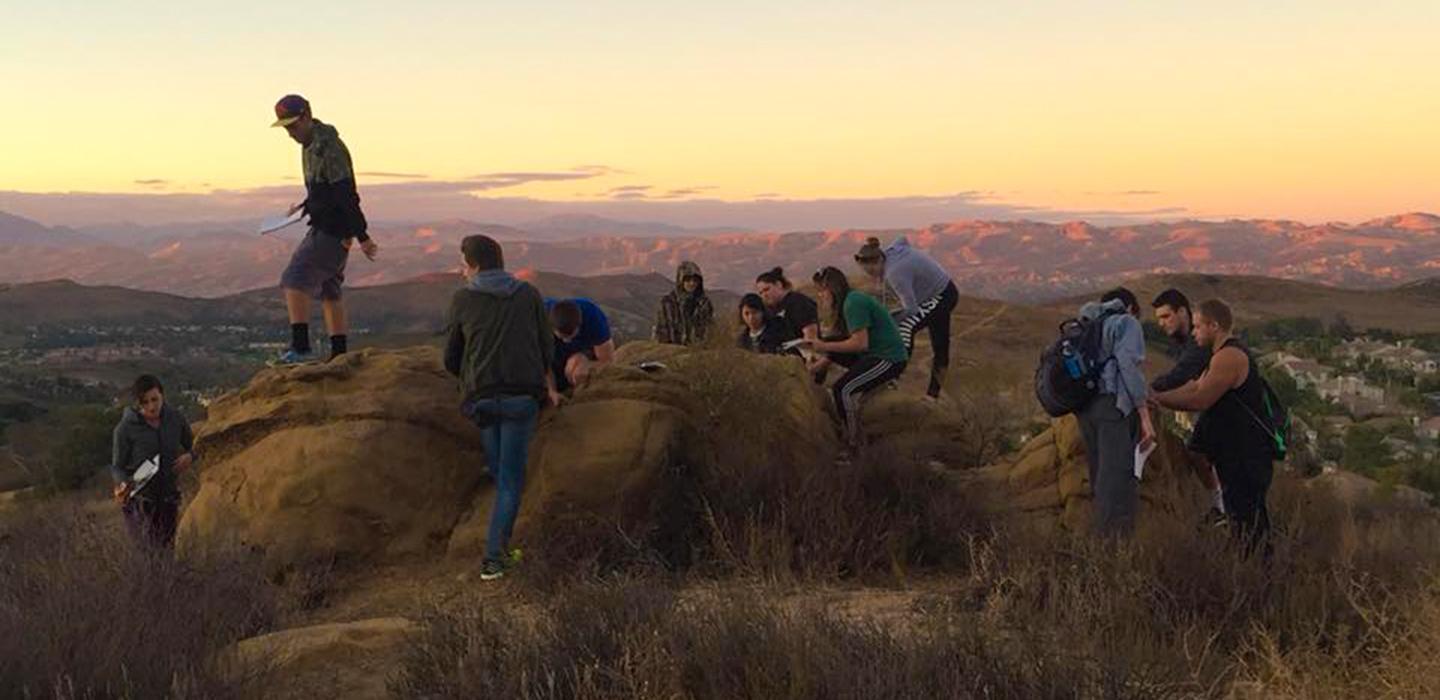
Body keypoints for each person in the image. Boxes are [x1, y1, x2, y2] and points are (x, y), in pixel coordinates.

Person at [444, 235, 556, 581]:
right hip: (522, 398)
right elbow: (546, 349)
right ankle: (495, 557)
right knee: (509, 481)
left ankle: (495, 555)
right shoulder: (528, 294)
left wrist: (470, 376)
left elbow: (451, 357)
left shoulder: (462, 298)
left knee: (500, 475)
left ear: (474, 264)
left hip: (482, 398)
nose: (463, 271)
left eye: (464, 264)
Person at [1152, 299, 1275, 555]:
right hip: (1235, 453)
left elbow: (1200, 399)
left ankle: (1258, 580)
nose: (1194, 332)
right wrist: (1154, 396)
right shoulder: (1219, 355)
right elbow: (1194, 387)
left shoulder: (1229, 357)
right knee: (1243, 521)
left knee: (1248, 526)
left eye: (1198, 327)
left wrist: (1155, 400)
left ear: (1214, 326)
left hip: (1246, 454)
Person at [271, 94, 379, 365]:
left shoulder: (328, 148)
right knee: (330, 289)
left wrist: (362, 235)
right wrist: (307, 205)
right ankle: (339, 353)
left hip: (332, 230)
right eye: (286, 128)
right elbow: (326, 190)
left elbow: (346, 194)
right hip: (331, 227)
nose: (290, 133)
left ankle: (301, 348)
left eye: (293, 126)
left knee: (294, 279)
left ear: (307, 116)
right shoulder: (309, 145)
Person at [1076, 287, 1156, 538]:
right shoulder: (1127, 323)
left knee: (1100, 478)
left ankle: (1099, 548)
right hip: (1112, 407)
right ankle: (1114, 555)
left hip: (1085, 408)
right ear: (1131, 308)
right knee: (1117, 482)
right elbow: (1127, 365)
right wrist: (1143, 412)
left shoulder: (1088, 322)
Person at [801, 267, 908, 449]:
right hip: (871, 354)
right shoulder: (849, 301)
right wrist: (820, 359)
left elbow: (860, 344)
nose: (820, 296)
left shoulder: (853, 303)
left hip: (888, 358)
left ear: (832, 288)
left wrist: (823, 346)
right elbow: (841, 345)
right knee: (831, 342)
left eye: (822, 290)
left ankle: (852, 442)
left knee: (842, 389)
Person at [1151, 288, 1225, 524]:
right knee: (1197, 452)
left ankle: (1223, 510)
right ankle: (1218, 507)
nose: (1162, 324)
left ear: (1182, 312)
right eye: (1159, 319)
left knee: (1202, 453)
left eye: (1166, 316)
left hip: (1228, 409)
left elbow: (1183, 375)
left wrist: (1150, 392)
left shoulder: (1198, 341)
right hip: (1212, 409)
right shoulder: (1184, 343)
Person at [854, 236, 959, 399]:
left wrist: (889, 320)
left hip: (942, 296)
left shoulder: (894, 274)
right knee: (940, 346)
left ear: (879, 261)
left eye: (873, 271)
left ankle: (892, 377)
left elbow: (911, 309)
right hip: (940, 290)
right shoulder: (890, 251)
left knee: (905, 327)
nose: (873, 276)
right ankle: (933, 394)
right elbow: (902, 239)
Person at [110, 375, 195, 552]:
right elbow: (117, 466)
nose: (151, 406)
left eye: (155, 399)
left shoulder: (175, 419)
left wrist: (190, 456)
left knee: (167, 551)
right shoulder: (125, 428)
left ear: (162, 396)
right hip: (140, 500)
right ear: (138, 403)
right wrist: (123, 483)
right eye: (145, 402)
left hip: (168, 497)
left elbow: (194, 445)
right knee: (146, 554)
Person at [546, 298, 616, 392]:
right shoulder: (538, 321)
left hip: (584, 350)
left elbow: (607, 360)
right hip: (553, 354)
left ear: (580, 325)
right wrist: (551, 391)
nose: (567, 341)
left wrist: (588, 363)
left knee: (577, 369)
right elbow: (541, 362)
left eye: (571, 336)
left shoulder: (593, 317)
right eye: (562, 337)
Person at [755, 267, 819, 347]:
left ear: (778, 284)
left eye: (767, 289)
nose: (764, 295)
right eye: (761, 293)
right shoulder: (770, 310)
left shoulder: (799, 302)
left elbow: (811, 337)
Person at [654, 261, 714, 346]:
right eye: (688, 280)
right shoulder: (668, 303)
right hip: (671, 351)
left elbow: (709, 329)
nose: (692, 283)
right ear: (681, 281)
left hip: (698, 351)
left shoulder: (704, 303)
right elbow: (660, 331)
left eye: (695, 280)